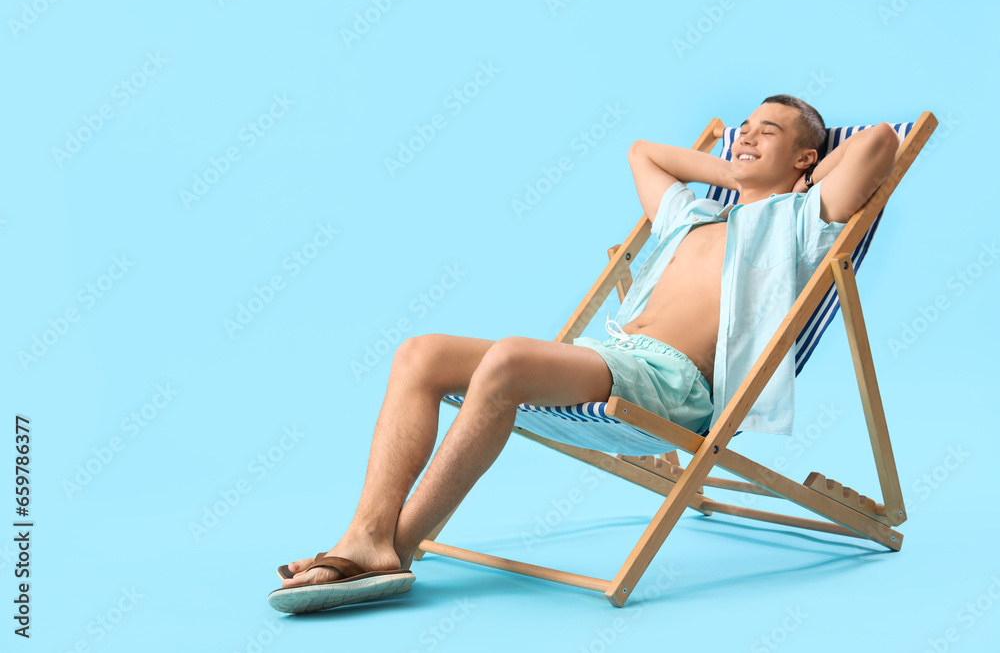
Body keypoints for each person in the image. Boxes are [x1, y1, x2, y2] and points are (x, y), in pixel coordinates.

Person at [267, 95, 900, 614]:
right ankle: (366, 535)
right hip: (610, 356)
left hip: (670, 385)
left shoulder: (801, 221)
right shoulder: (691, 216)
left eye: (769, 133)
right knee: (419, 353)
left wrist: (794, 181)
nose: (744, 138)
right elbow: (642, 153)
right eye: (743, 130)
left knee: (510, 362)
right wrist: (737, 172)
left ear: (808, 158)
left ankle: (390, 551)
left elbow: (878, 142)